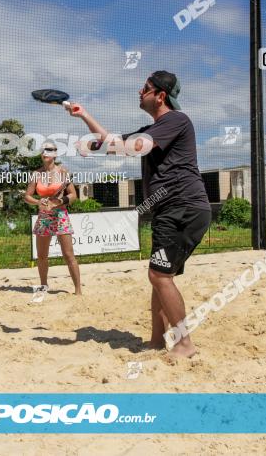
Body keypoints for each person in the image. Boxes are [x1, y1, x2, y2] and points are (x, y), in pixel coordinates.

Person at [66, 71, 211, 357]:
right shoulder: (154, 129)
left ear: (160, 95)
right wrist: (84, 117)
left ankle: (184, 344)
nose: (139, 91)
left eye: (145, 88)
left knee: (159, 275)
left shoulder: (176, 121)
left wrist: (99, 146)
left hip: (181, 207)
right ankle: (157, 340)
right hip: (171, 209)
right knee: (160, 275)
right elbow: (111, 143)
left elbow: (133, 148)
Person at [24, 140, 82, 296]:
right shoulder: (36, 174)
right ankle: (44, 286)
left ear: (55, 154)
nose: (44, 153)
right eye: (43, 150)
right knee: (42, 256)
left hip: (60, 215)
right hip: (44, 216)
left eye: (48, 150)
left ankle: (78, 291)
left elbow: (73, 195)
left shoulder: (63, 172)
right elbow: (27, 196)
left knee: (68, 255)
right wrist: (38, 201)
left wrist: (58, 201)